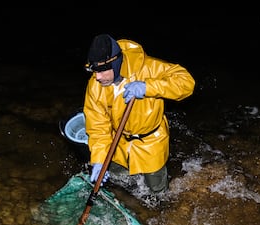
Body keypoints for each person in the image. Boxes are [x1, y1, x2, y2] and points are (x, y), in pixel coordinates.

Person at [83, 34, 195, 195]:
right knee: (120, 182)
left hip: (150, 142)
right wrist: (99, 160)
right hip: (118, 142)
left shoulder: (148, 67)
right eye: (94, 70)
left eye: (102, 71)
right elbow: (98, 128)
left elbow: (186, 83)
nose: (97, 77)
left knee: (157, 191)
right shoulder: (95, 86)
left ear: (115, 64)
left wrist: (148, 87)